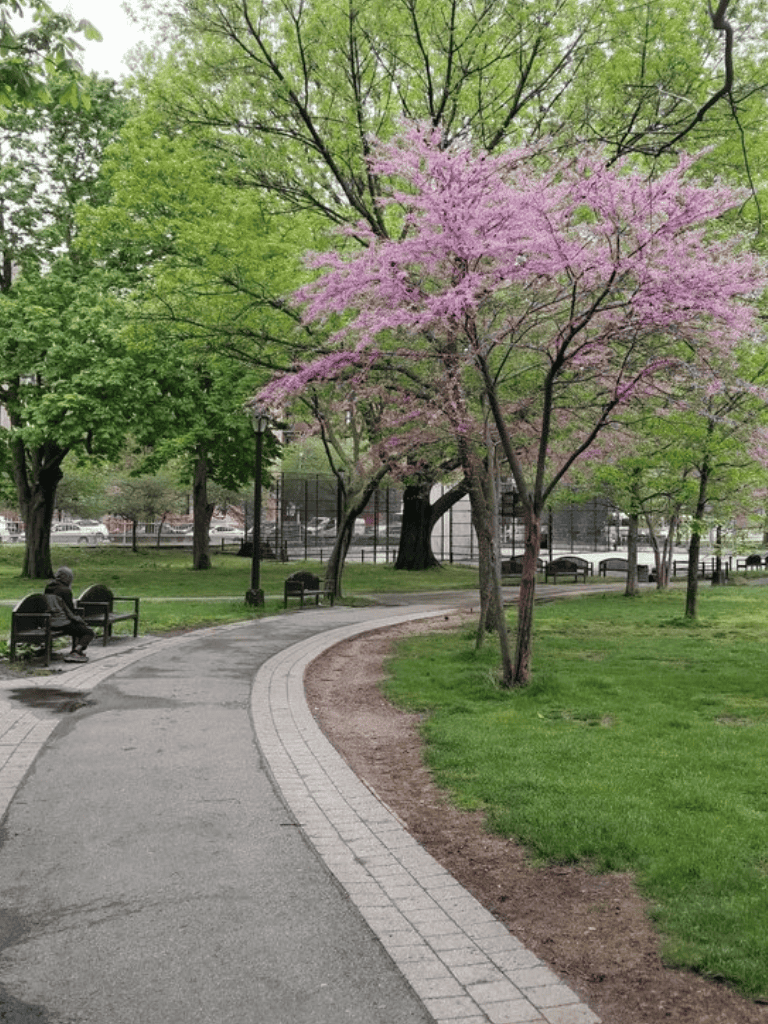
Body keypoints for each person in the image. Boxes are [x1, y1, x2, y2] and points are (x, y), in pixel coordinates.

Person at [44, 566, 95, 663]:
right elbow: (70, 612)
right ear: (67, 578)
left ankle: (76, 651)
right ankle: (76, 652)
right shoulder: (65, 591)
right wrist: (81, 621)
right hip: (62, 623)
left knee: (79, 628)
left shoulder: (48, 588)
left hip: (49, 621)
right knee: (88, 632)